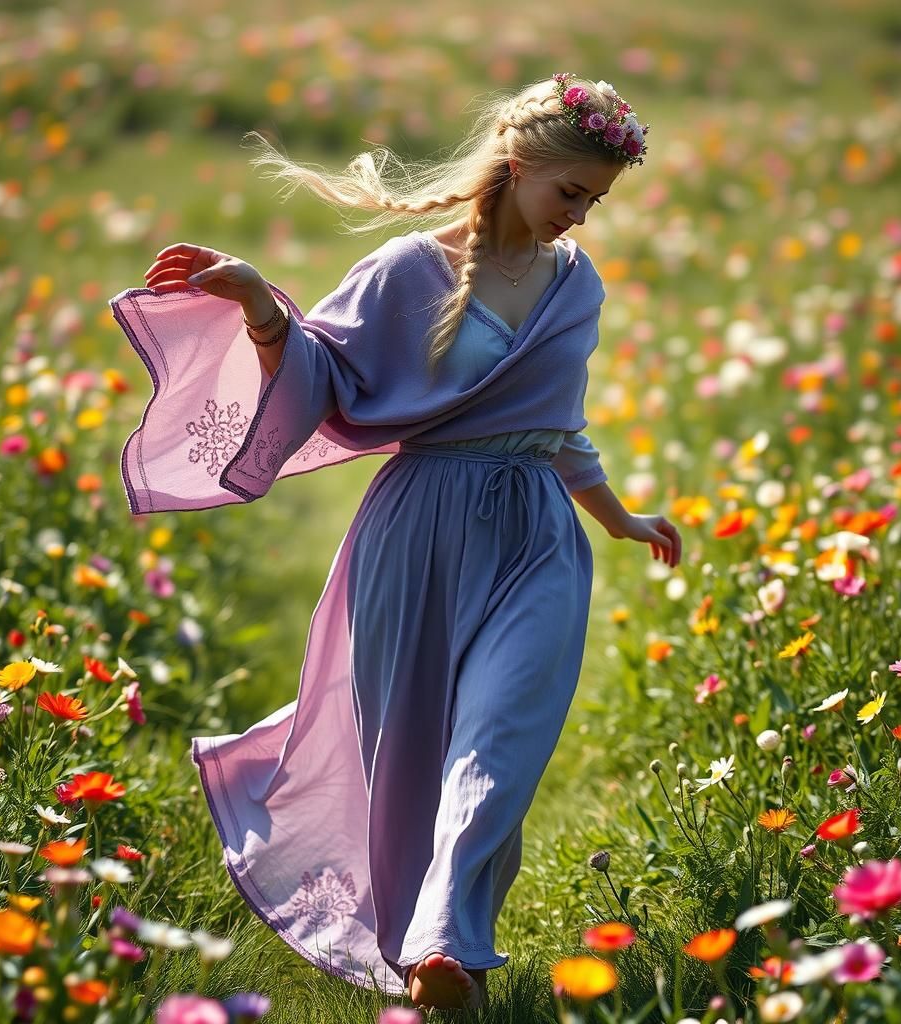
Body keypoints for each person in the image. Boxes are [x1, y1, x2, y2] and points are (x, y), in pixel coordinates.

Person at [117, 72, 681, 1013]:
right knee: (410, 748)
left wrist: (617, 517)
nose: (579, 218)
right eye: (569, 192)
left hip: (538, 533)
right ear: (518, 164)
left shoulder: (577, 283)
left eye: (595, 200)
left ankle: (446, 939)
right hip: (419, 530)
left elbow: (557, 423)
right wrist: (260, 304)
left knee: (503, 737)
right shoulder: (402, 272)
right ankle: (424, 954)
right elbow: (321, 378)